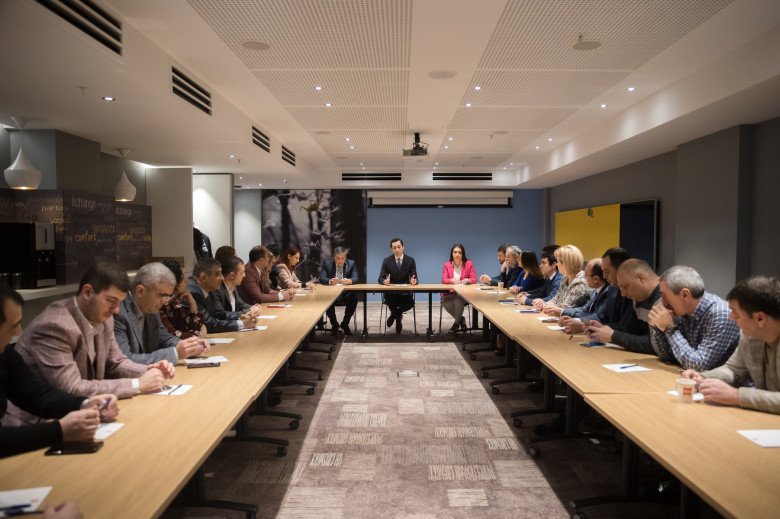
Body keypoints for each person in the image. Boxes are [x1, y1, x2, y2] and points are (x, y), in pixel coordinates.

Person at [4, 262, 172, 427]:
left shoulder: (104, 317)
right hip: (33, 422)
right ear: (87, 292)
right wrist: (137, 384)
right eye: (111, 301)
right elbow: (72, 387)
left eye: (119, 302)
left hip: (81, 411)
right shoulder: (55, 325)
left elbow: (116, 361)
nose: (116, 310)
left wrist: (148, 370)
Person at [0, 286, 118, 458]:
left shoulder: (4, 352)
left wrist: (84, 404)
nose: (18, 331)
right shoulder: (53, 324)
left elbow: (35, 393)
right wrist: (59, 430)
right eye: (13, 325)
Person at [681, 276, 780, 414]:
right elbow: (734, 370)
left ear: (760, 318)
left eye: (736, 313)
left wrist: (737, 396)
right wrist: (703, 378)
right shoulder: (750, 335)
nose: (731, 317)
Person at [114, 262, 209, 365]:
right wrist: (175, 353)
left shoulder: (150, 306)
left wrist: (187, 345)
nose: (166, 302)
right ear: (141, 291)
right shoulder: (118, 312)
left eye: (169, 296)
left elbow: (164, 338)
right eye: (163, 295)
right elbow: (126, 360)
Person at [648, 265, 740, 370]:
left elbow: (699, 366)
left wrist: (670, 329)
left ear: (685, 295)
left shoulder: (721, 315)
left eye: (665, 295)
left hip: (721, 379)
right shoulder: (680, 311)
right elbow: (667, 356)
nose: (663, 302)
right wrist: (657, 326)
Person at [587, 258, 660, 354]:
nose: (623, 294)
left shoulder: (664, 299)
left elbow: (656, 345)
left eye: (625, 286)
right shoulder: (638, 299)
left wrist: (613, 336)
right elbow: (630, 330)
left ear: (640, 278)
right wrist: (602, 328)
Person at [560, 247, 630, 334]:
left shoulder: (612, 290)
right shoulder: (612, 288)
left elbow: (628, 329)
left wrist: (583, 325)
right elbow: (600, 316)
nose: (604, 276)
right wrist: (578, 321)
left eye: (607, 271)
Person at [188, 258, 257, 333]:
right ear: (204, 277)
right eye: (218, 274)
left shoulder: (210, 289)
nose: (222, 277)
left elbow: (219, 314)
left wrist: (241, 317)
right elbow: (208, 323)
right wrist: (242, 324)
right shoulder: (193, 293)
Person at [159, 259, 207, 339]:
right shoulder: (158, 305)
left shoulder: (174, 301)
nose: (187, 280)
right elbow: (174, 336)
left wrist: (192, 303)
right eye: (182, 278)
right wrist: (200, 334)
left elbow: (190, 327)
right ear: (173, 283)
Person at [378, 238, 418, 333]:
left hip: (405, 293)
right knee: (390, 302)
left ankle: (394, 315)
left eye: (399, 247)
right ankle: (398, 318)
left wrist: (414, 281)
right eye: (394, 248)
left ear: (403, 247)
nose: (397, 250)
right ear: (391, 249)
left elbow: (415, 278)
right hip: (391, 293)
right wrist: (385, 281)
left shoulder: (410, 260)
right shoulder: (386, 260)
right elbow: (380, 278)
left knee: (410, 303)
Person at [319, 246, 359, 335]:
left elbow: (356, 278)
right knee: (326, 299)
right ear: (334, 257)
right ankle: (334, 324)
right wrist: (330, 281)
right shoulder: (327, 263)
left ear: (346, 257)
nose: (340, 261)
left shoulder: (351, 263)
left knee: (353, 298)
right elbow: (322, 278)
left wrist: (349, 281)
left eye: (343, 258)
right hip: (331, 293)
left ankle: (345, 323)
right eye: (338, 258)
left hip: (345, 293)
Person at [542, 245, 590, 313]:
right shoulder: (565, 278)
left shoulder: (580, 282)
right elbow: (556, 299)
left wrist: (549, 306)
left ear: (566, 263)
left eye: (558, 262)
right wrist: (547, 304)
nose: (557, 264)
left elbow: (566, 307)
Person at [441, 243, 477, 334]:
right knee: (445, 302)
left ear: (462, 254)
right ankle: (461, 319)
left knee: (457, 301)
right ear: (452, 253)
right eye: (455, 252)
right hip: (449, 293)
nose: (457, 254)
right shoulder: (447, 265)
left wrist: (467, 280)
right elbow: (444, 279)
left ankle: (456, 324)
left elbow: (474, 279)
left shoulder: (469, 263)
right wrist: (451, 280)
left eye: (459, 252)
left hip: (463, 293)